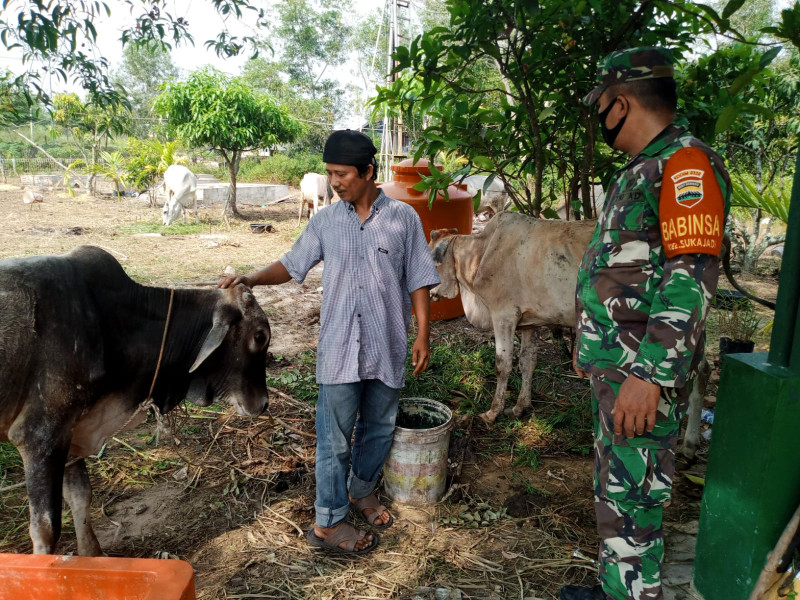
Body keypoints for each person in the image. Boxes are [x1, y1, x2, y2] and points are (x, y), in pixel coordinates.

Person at [219, 129, 441, 554]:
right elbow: (292, 264)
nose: (334, 182)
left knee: (378, 428)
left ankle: (361, 491)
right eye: (330, 173)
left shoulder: (403, 218)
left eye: (342, 174)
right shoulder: (325, 221)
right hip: (339, 346)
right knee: (334, 439)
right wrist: (252, 278)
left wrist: (424, 333)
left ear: (368, 172)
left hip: (387, 342)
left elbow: (418, 278)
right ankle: (329, 523)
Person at [563, 47, 731, 600]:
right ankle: (616, 586)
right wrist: (591, 343)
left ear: (621, 103)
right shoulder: (646, 167)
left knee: (635, 500)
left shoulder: (685, 166)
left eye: (601, 106)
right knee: (618, 489)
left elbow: (690, 279)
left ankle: (633, 592)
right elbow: (623, 272)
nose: (599, 118)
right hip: (618, 367)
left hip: (640, 375)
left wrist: (650, 375)